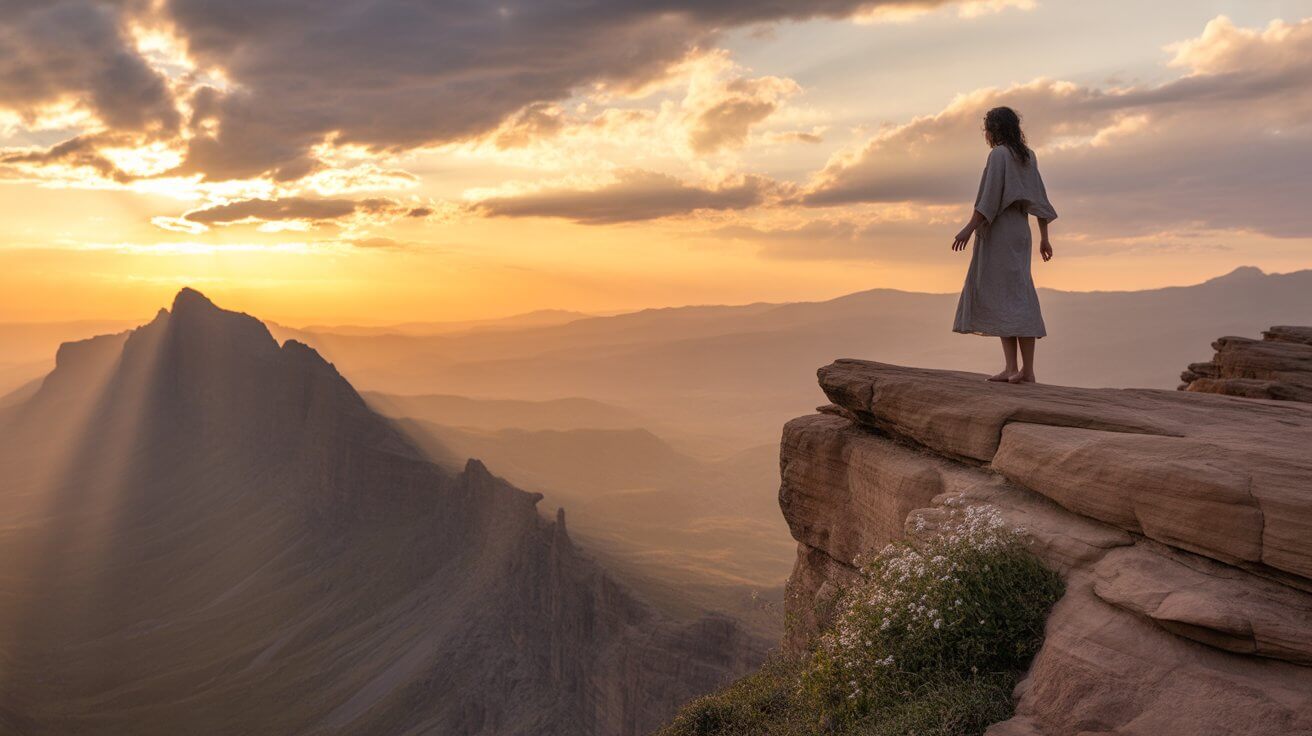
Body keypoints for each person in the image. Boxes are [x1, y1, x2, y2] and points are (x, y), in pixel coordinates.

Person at [950, 106, 1057, 384]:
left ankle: (1017, 369)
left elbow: (988, 198)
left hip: (1000, 230)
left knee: (1008, 296)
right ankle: (1020, 370)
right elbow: (1040, 200)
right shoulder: (1027, 156)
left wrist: (969, 229)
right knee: (1016, 294)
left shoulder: (998, 155)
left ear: (994, 129)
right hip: (1020, 230)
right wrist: (1044, 238)